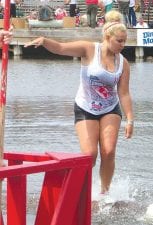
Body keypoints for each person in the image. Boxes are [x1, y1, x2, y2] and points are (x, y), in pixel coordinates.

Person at [24, 11, 134, 196]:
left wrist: (130, 119)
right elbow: (60, 48)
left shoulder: (123, 63)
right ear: (108, 37)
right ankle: (81, 191)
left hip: (110, 108)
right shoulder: (89, 49)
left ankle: (104, 194)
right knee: (90, 155)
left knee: (108, 151)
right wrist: (44, 41)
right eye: (119, 41)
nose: (123, 45)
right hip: (85, 107)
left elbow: (123, 93)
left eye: (125, 41)